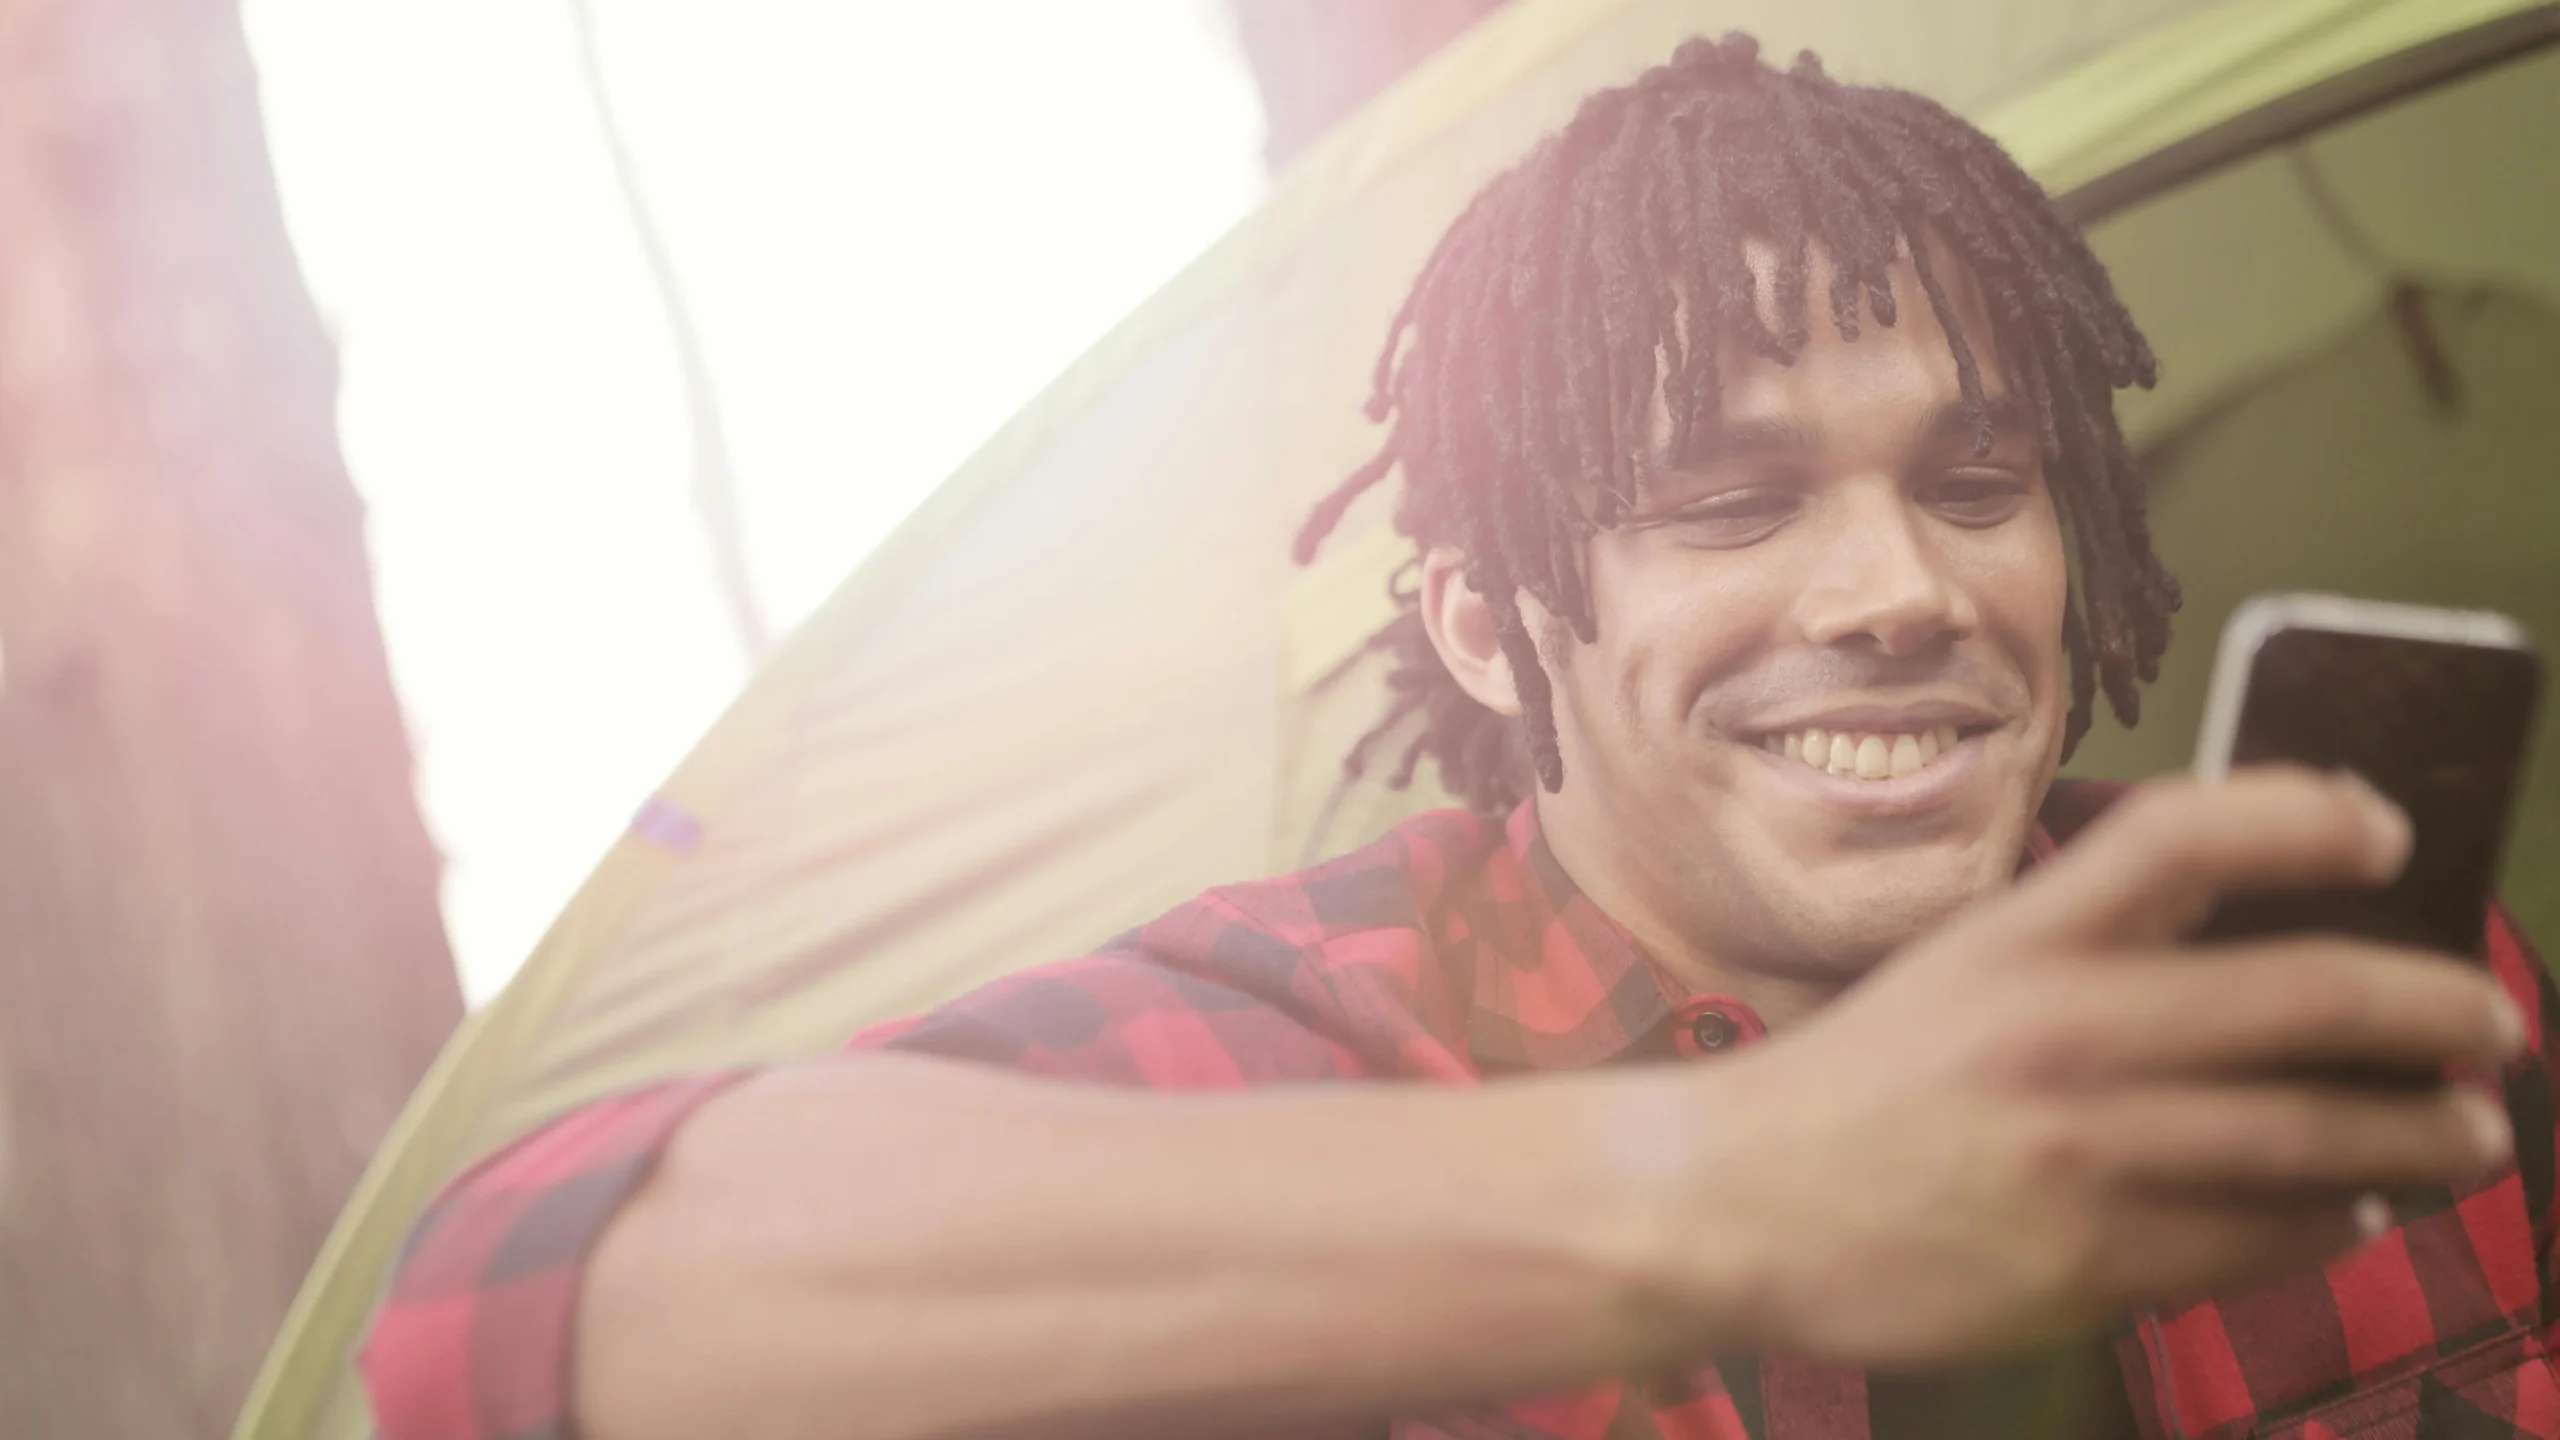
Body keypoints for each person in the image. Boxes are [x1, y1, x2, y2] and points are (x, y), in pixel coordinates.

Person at [362, 34, 2556, 1440]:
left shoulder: (2356, 988)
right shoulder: (1311, 1040)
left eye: (1975, 486)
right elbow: (518, 1305)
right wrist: (1732, 1190)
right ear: (1491, 631)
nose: (1901, 591)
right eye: (1729, 501)